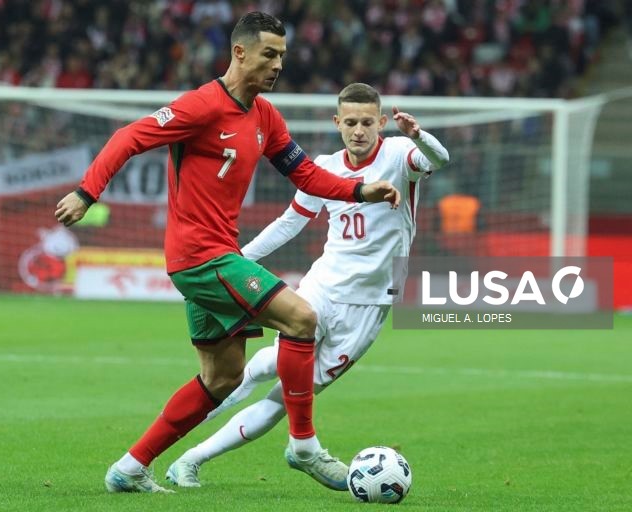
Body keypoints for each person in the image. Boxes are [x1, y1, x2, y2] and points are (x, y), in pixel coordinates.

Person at [54, 13, 401, 494]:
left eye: (282, 55)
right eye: (269, 54)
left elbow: (305, 176)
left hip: (217, 255)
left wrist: (359, 191)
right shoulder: (201, 106)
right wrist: (86, 193)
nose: (278, 64)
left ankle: (130, 467)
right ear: (240, 53)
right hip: (200, 255)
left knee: (221, 378)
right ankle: (303, 445)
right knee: (302, 319)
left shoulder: (265, 116)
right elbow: (129, 137)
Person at [165, 82, 450, 489]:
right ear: (337, 123)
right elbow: (290, 222)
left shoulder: (400, 156)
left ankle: (196, 457)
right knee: (268, 366)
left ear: (381, 122)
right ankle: (188, 458)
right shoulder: (325, 166)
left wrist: (418, 134)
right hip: (322, 286)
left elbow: (441, 159)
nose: (358, 130)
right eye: (350, 122)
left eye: (368, 122)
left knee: (282, 395)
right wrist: (240, 258)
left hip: (370, 303)